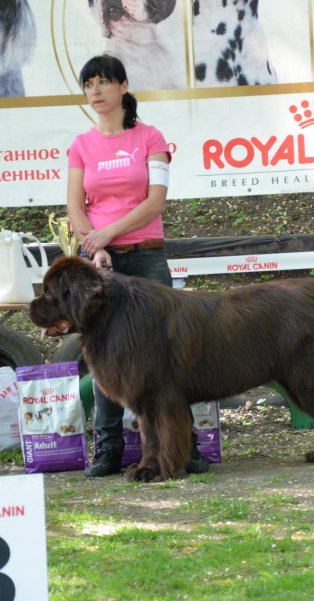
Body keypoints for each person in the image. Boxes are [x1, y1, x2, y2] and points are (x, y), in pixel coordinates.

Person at [67, 54, 208, 477]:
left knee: (171, 355)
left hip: (146, 257)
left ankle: (189, 447)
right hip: (102, 262)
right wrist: (95, 249)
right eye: (89, 84)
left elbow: (155, 201)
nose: (95, 91)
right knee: (108, 356)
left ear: (124, 87)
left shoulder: (150, 137)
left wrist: (107, 234)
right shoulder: (81, 145)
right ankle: (108, 450)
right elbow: (75, 207)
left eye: (104, 82)